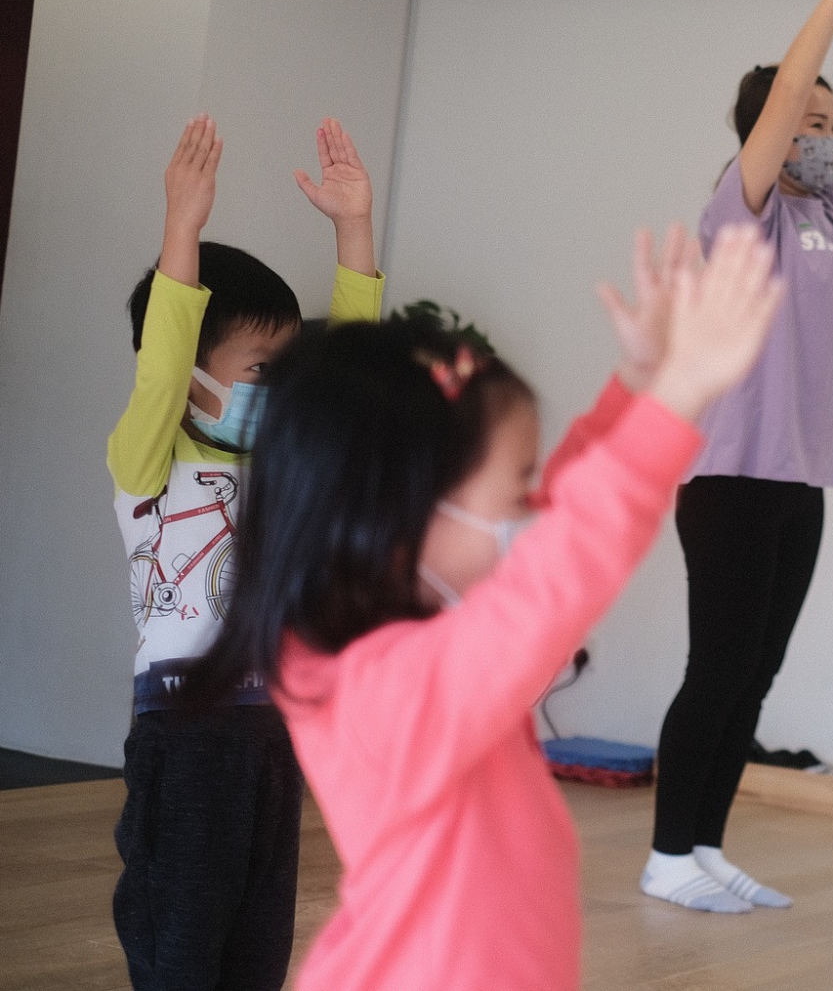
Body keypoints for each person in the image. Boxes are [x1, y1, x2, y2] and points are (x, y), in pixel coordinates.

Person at [174, 221, 783, 991]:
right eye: (515, 489)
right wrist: (675, 400)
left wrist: (638, 383)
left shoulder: (410, 629)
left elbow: (557, 517)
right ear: (401, 511)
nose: (532, 512)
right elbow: (557, 568)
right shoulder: (379, 683)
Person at [642, 0, 833, 914]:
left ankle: (704, 846)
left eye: (830, 127)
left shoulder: (831, 205)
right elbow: (794, 85)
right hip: (729, 475)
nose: (828, 135)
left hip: (798, 478)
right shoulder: (741, 210)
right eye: (809, 123)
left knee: (754, 674)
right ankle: (665, 853)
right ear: (767, 131)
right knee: (716, 669)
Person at [108, 114, 382, 991]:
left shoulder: (286, 461)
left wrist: (353, 231)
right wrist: (180, 230)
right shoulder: (149, 460)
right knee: (181, 951)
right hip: (185, 736)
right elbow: (160, 370)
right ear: (194, 373)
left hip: (273, 734)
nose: (284, 386)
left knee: (257, 951)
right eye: (262, 366)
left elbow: (351, 384)